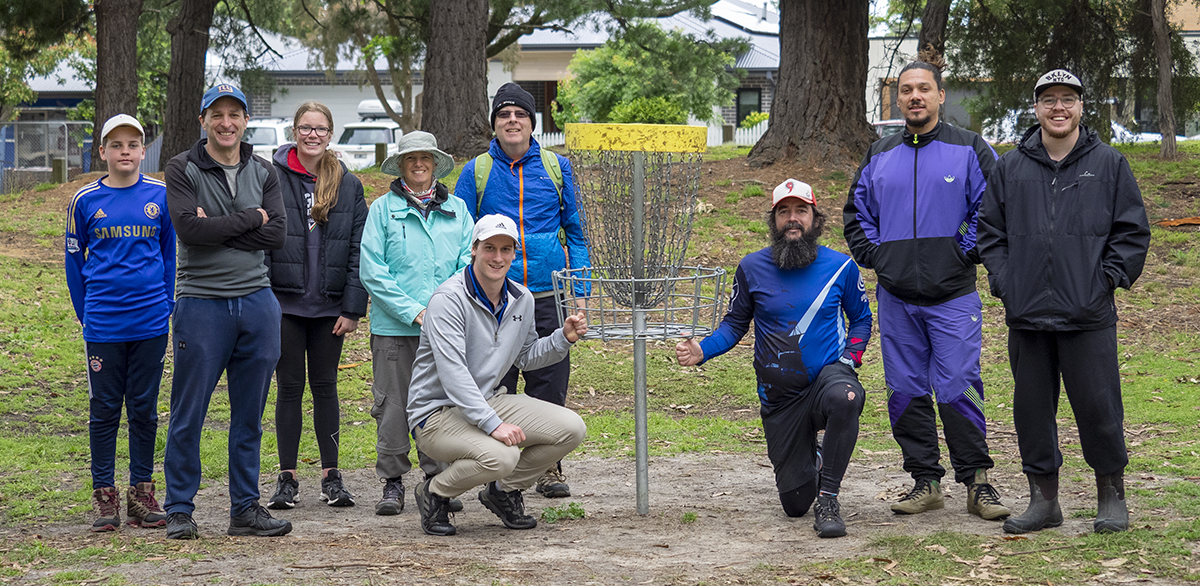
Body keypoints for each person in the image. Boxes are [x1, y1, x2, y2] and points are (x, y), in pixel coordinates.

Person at [978, 69, 1150, 535]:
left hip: (1088, 313)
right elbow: (990, 234)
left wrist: (1107, 280)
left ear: (1080, 107)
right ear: (1035, 108)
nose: (1059, 108)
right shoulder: (1010, 167)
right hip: (1027, 314)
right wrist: (1006, 281)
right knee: (1032, 411)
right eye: (1049, 99)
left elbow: (1131, 232)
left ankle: (1111, 495)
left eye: (1068, 100)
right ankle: (1043, 501)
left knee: (1099, 408)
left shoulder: (1109, 164)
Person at [843, 60, 1010, 521]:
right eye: (906, 90)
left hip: (954, 295)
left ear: (940, 96)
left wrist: (962, 252)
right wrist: (880, 258)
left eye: (924, 89)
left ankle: (977, 482)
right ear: (897, 99)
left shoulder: (970, 148)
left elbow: (992, 209)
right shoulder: (879, 153)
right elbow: (857, 215)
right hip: (896, 298)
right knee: (905, 389)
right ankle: (925, 482)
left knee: (958, 386)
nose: (915, 96)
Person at [676, 180, 871, 539]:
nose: (792, 219)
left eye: (801, 211)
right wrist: (703, 350)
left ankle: (828, 498)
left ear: (815, 218)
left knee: (846, 398)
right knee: (795, 504)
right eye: (784, 212)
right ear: (773, 220)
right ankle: (812, 460)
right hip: (780, 399)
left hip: (829, 378)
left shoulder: (841, 267)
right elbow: (735, 324)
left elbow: (861, 319)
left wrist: (850, 360)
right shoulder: (751, 268)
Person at [407, 214, 588, 537]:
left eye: (506, 249)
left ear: (515, 254)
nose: (498, 257)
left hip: (489, 400)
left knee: (572, 428)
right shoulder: (447, 300)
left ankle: (502, 492)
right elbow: (453, 375)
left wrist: (563, 338)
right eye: (489, 248)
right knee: (502, 455)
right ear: (473, 250)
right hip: (436, 414)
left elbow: (526, 356)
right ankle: (435, 492)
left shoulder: (522, 298)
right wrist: (494, 424)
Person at [162, 84, 290, 539]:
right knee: (188, 411)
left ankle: (245, 508)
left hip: (257, 302)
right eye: (217, 114)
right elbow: (189, 232)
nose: (227, 123)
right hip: (202, 303)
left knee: (249, 413)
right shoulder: (181, 168)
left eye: (235, 114)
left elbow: (278, 236)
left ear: (245, 121)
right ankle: (179, 508)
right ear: (203, 120)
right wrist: (252, 218)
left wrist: (217, 227)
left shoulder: (264, 171)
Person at [453, 82, 589, 498]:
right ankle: (494, 465)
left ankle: (547, 467)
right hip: (495, 298)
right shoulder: (476, 171)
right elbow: (462, 237)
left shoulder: (556, 168)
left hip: (548, 294)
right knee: (496, 384)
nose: (512, 121)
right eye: (504, 115)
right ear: (494, 124)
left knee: (549, 383)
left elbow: (577, 234)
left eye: (521, 115)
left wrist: (579, 290)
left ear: (533, 123)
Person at [65, 114, 174, 532]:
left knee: (144, 409)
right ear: (103, 151)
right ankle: (104, 495)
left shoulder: (160, 196)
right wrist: (85, 313)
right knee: (105, 408)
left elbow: (168, 255)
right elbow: (75, 263)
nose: (125, 151)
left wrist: (165, 303)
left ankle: (141, 493)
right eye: (116, 145)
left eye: (133, 144)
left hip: (149, 322)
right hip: (104, 325)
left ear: (143, 151)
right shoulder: (85, 201)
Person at [359, 131, 474, 516]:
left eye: (425, 158)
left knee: (440, 405)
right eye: (411, 159)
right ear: (402, 165)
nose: (419, 164)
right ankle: (392, 482)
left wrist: (442, 312)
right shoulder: (382, 210)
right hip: (394, 329)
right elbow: (373, 271)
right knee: (392, 406)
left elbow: (467, 266)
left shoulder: (458, 210)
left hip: (445, 331)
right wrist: (413, 311)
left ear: (435, 164)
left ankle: (437, 480)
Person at [264, 102, 368, 511]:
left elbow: (359, 249)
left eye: (320, 129)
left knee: (325, 387)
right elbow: (261, 239)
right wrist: (264, 300)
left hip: (329, 308)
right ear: (294, 131)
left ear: (330, 134)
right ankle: (287, 477)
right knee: (288, 388)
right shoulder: (271, 177)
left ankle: (331, 477)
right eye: (305, 128)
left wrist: (353, 307)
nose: (312, 135)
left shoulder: (348, 183)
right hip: (284, 305)